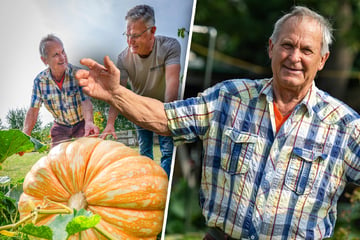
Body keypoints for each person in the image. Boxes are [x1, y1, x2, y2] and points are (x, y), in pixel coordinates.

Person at [75, 6, 360, 240]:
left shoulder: (344, 126)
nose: (294, 57)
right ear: (271, 48)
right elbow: (164, 118)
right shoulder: (229, 97)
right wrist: (115, 92)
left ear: (322, 60)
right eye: (287, 45)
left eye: (306, 50)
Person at [100, 5, 181, 177]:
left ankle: (164, 189)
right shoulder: (123, 59)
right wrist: (110, 123)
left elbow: (172, 85)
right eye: (127, 35)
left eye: (135, 36)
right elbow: (117, 92)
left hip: (165, 110)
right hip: (140, 111)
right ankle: (149, 186)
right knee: (145, 152)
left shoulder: (170, 46)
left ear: (152, 31)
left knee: (168, 153)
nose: (130, 41)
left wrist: (167, 118)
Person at [23, 34, 99, 148]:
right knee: (56, 159)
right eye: (56, 55)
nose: (62, 57)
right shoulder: (40, 82)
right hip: (61, 127)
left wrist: (89, 122)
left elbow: (85, 101)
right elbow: (33, 110)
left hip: (81, 124)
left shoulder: (77, 74)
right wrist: (25, 135)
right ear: (44, 60)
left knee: (87, 154)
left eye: (63, 52)